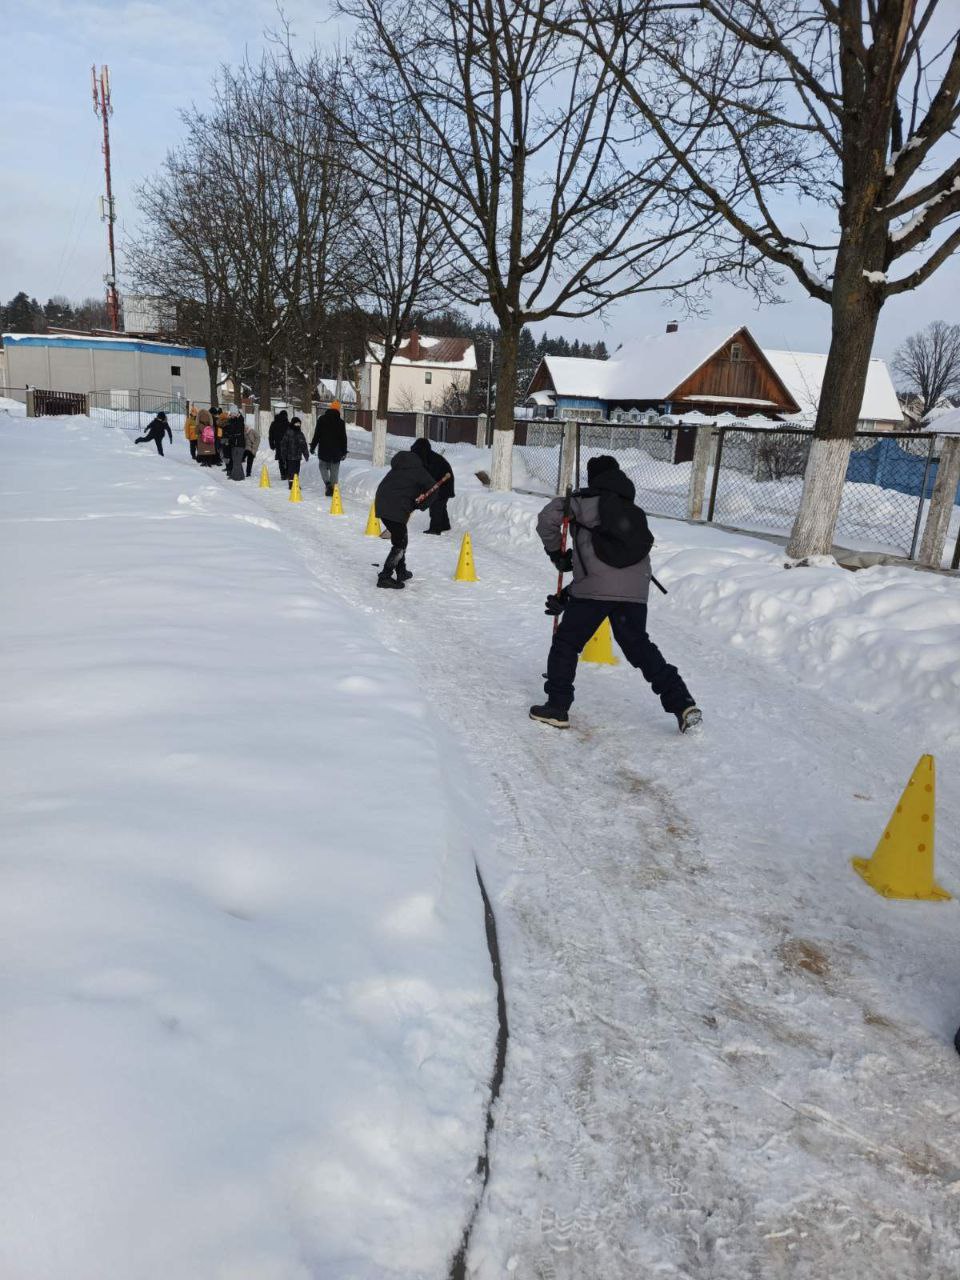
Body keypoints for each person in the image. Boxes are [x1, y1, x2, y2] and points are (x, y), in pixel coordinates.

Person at [530, 454, 702, 733]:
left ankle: (557, 707)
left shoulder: (581, 501)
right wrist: (567, 596)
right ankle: (682, 703)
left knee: (567, 642)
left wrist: (557, 554)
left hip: (594, 591)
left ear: (593, 478)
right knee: (640, 647)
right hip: (635, 591)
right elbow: (612, 573)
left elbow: (546, 519)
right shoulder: (631, 510)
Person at [373, 450, 443, 589]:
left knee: (400, 539)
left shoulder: (395, 470)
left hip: (382, 506)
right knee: (400, 544)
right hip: (396, 509)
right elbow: (434, 489)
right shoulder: (418, 470)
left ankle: (402, 571)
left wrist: (415, 500)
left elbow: (397, 488)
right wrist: (421, 505)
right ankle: (385, 577)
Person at [411, 437, 455, 534]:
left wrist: (424, 491)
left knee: (436, 506)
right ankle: (445, 525)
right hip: (440, 483)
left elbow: (430, 478)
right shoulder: (426, 458)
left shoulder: (433, 460)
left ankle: (435, 529)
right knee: (441, 506)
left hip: (444, 484)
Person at [310, 400, 348, 496]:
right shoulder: (341, 422)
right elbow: (343, 438)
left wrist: (313, 446)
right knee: (334, 470)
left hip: (324, 449)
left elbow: (317, 435)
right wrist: (344, 451)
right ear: (338, 410)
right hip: (336, 451)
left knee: (322, 466)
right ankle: (333, 488)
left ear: (330, 408)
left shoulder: (322, 419)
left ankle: (327, 484)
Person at [280, 415, 309, 490]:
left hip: (297, 457)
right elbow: (283, 444)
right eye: (296, 424)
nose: (298, 425)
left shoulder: (300, 434)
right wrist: (283, 455)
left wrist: (306, 454)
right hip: (290, 457)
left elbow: (304, 445)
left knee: (296, 471)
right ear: (293, 424)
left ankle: (295, 483)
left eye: (299, 424)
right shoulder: (288, 433)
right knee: (291, 471)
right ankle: (291, 484)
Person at [223, 412, 246, 480]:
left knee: (237, 461)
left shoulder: (240, 422)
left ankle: (237, 477)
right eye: (231, 414)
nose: (231, 415)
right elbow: (230, 430)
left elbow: (237, 429)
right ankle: (240, 476)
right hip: (234, 444)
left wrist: (238, 416)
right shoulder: (232, 422)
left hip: (239, 445)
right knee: (236, 461)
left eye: (233, 414)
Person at [268, 409, 290, 478]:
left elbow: (271, 435)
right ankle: (287, 473)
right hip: (287, 444)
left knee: (280, 459)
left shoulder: (274, 423)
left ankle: (283, 474)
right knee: (287, 459)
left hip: (278, 444)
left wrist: (271, 444)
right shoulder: (288, 424)